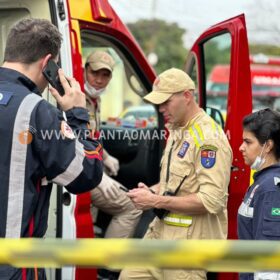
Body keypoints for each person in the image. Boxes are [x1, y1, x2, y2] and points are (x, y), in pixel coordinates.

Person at [0, 18, 103, 279]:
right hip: (14, 264)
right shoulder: (36, 111)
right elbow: (86, 173)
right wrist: (78, 115)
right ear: (48, 64)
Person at [119, 68, 233, 280]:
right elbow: (176, 184)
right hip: (159, 235)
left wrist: (155, 200)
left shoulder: (209, 138)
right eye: (158, 103)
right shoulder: (178, 129)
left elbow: (211, 201)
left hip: (187, 248)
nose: (160, 108)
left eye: (166, 102)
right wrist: (151, 191)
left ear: (187, 96)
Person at [84, 51, 142, 278]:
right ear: (84, 70)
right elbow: (74, 141)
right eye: (94, 72)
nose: (98, 79)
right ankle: (107, 269)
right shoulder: (76, 98)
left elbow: (90, 138)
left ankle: (94, 242)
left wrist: (105, 157)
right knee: (133, 206)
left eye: (104, 75)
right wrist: (99, 174)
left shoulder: (93, 101)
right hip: (81, 173)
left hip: (88, 168)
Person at [238, 108, 280, 280]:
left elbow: (269, 259)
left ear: (268, 146)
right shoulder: (262, 182)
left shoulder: (270, 188)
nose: (241, 148)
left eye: (248, 142)